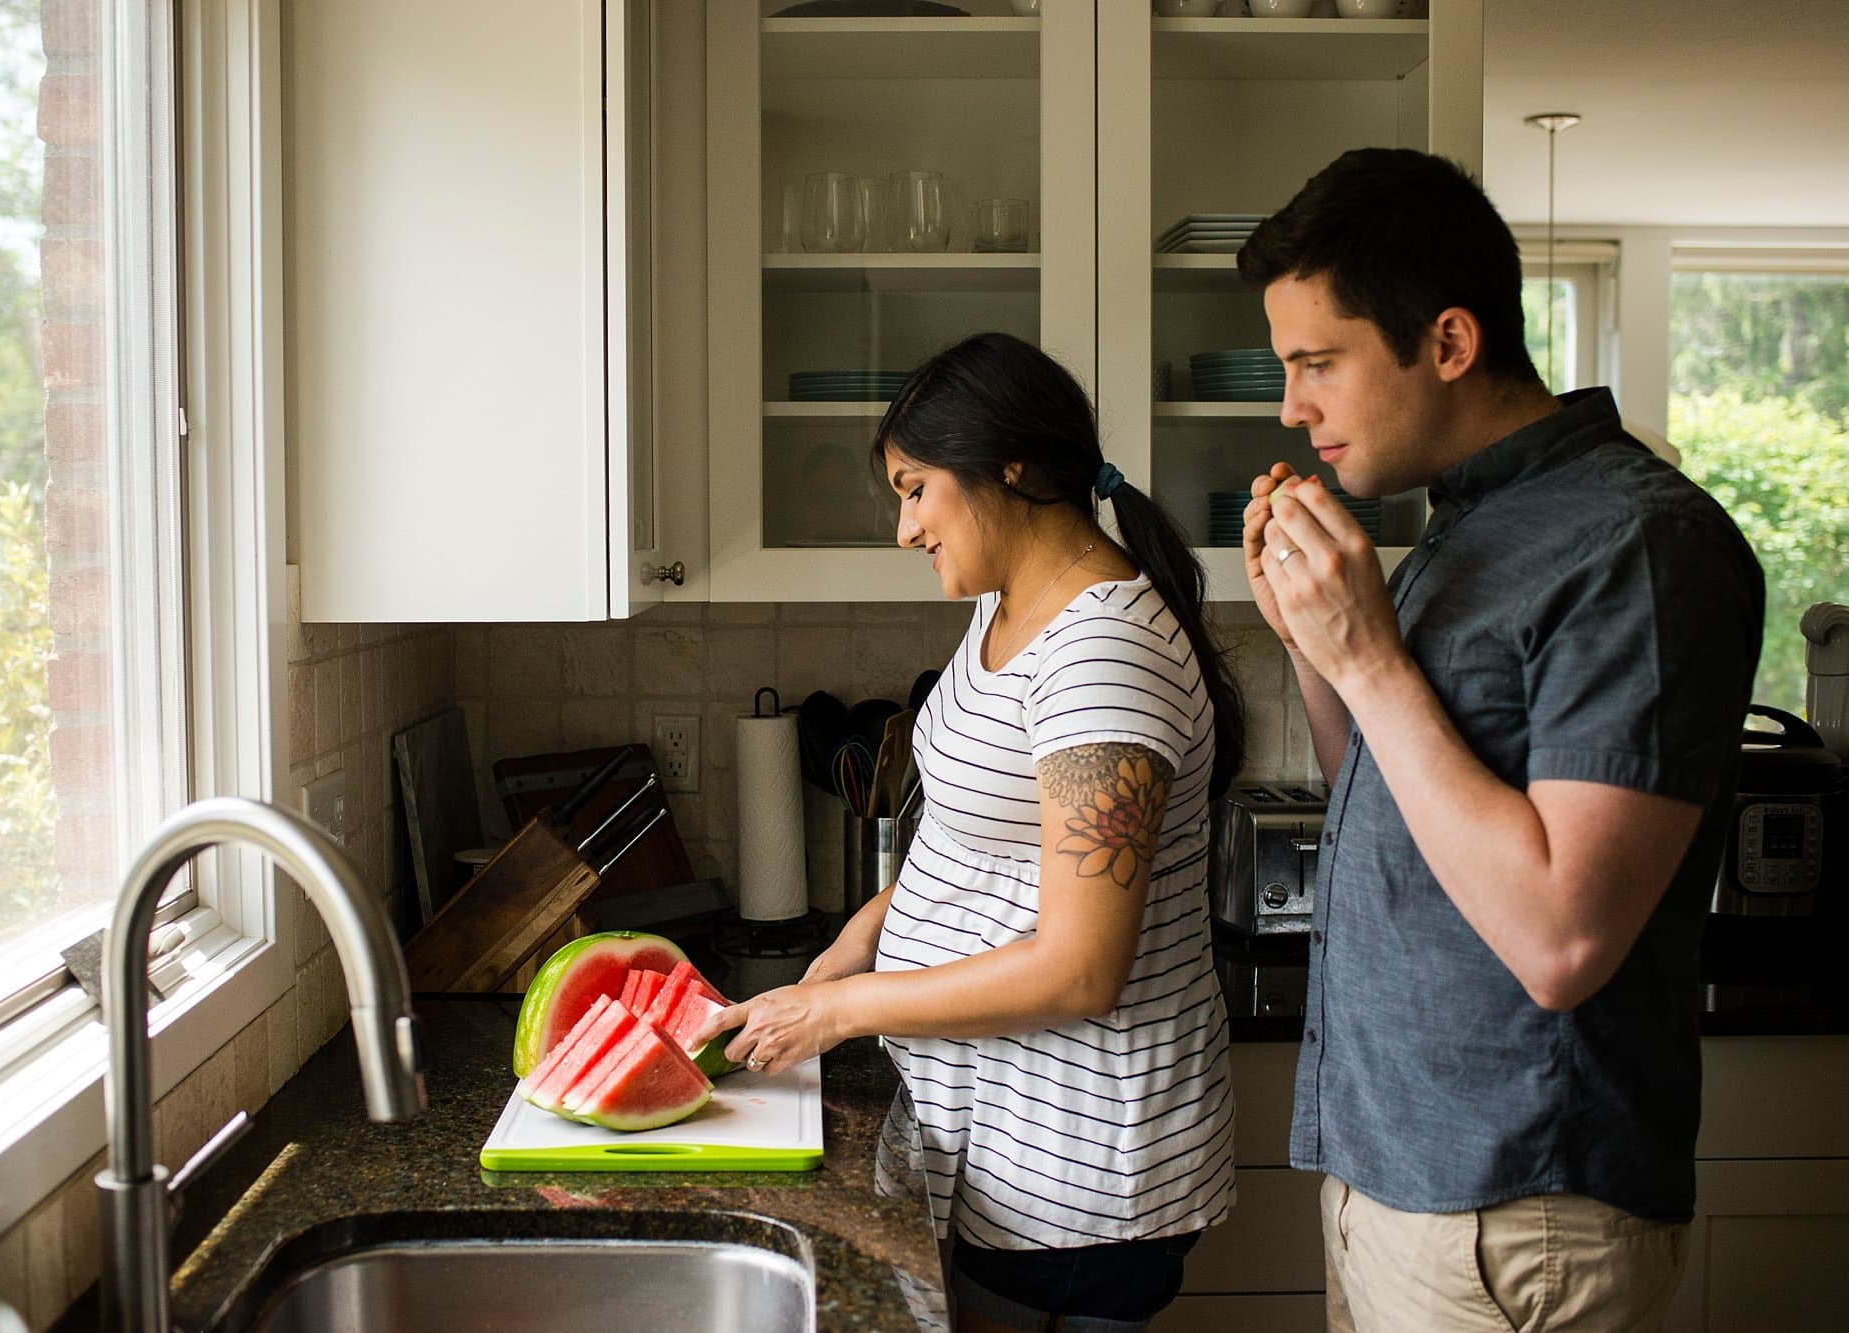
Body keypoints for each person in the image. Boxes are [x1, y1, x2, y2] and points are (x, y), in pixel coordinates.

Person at [1234, 147, 1764, 1331]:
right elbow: (1389, 805)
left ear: (1450, 343)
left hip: (1518, 1211)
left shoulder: (1636, 546)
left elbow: (1559, 937)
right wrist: (1318, 649)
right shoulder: (1463, 531)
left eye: (1317, 362)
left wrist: (1367, 656)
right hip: (1402, 1177)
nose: (1289, 406)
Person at [701, 331, 1246, 1332]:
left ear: (1007, 465)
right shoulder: (1010, 606)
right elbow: (968, 839)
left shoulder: (1101, 660)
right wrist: (857, 938)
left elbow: (1080, 966)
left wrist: (842, 1010)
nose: (904, 529)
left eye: (915, 489)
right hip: (1000, 1145)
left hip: (1074, 1176)